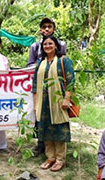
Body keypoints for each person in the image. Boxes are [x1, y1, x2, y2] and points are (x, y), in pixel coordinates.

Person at [32, 36, 75, 172]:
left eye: (50, 43)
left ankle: (60, 159)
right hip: (43, 101)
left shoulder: (64, 61)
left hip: (58, 100)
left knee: (58, 128)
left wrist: (66, 99)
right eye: (45, 44)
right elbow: (34, 85)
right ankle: (50, 157)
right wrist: (35, 103)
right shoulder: (40, 63)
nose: (47, 46)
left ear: (56, 45)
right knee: (45, 128)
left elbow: (70, 81)